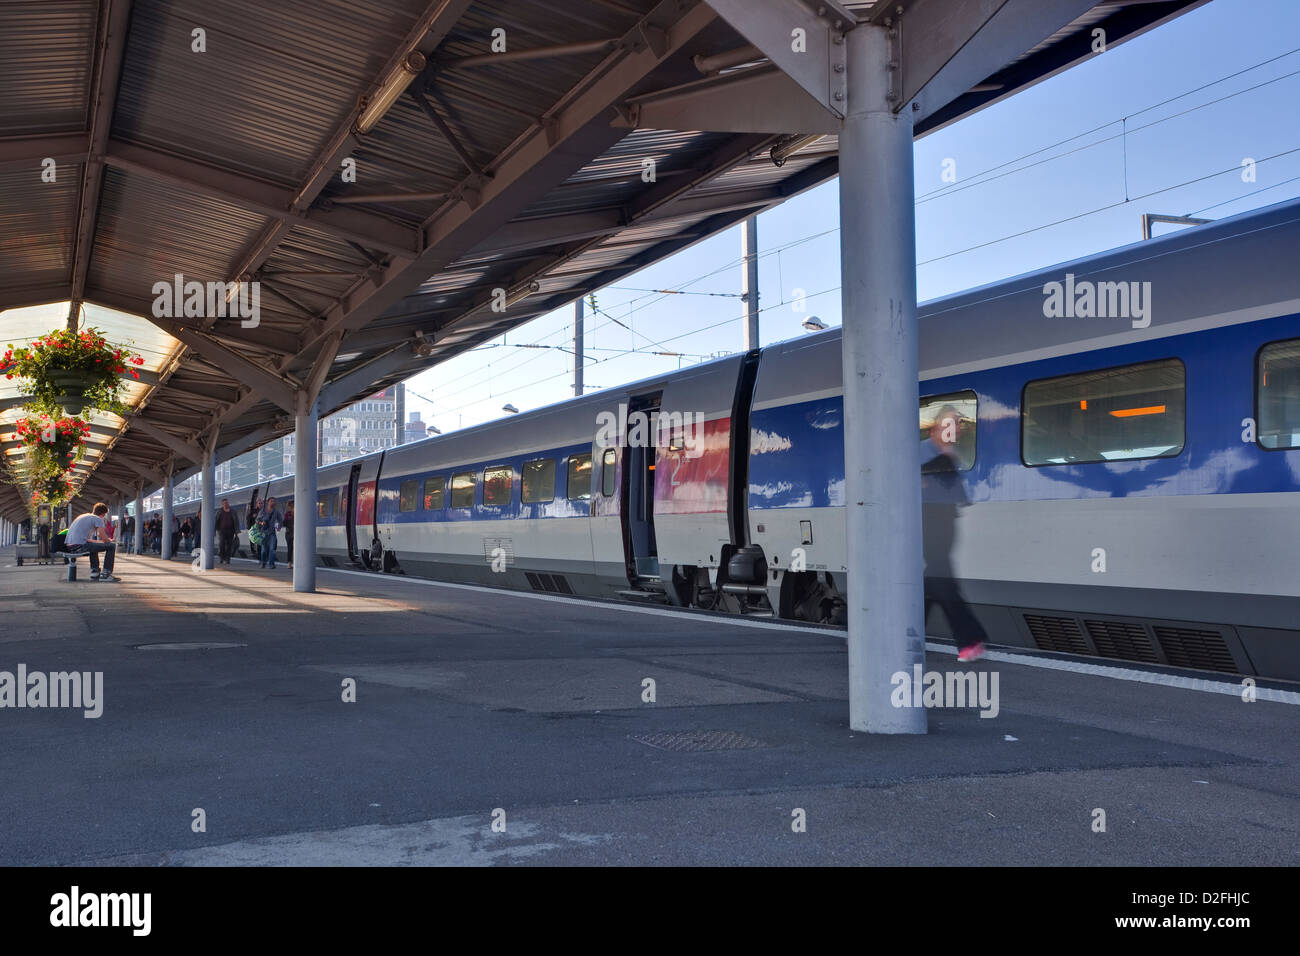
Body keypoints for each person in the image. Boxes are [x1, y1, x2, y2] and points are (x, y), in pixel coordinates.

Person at [921, 405, 985, 662]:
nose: (955, 429)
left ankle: (904, 634)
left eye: (957, 425)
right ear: (937, 427)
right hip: (929, 520)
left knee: (933, 580)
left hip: (943, 521)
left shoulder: (948, 453)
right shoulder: (924, 451)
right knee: (939, 579)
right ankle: (970, 639)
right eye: (950, 424)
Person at [65, 502, 119, 582]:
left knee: (93, 546)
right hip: (80, 546)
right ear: (103, 514)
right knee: (111, 546)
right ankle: (106, 574)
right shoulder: (98, 519)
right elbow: (102, 536)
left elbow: (87, 540)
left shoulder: (83, 516)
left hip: (70, 546)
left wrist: (100, 542)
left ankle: (95, 572)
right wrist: (109, 541)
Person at [254, 496, 283, 569]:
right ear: (268, 502)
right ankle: (263, 563)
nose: (273, 502)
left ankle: (271, 564)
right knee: (264, 550)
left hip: (272, 533)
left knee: (272, 549)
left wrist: (279, 526)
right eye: (271, 501)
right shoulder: (263, 511)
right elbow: (257, 520)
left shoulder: (276, 512)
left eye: (274, 501)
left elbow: (280, 519)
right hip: (263, 533)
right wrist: (261, 523)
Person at [215, 499, 239, 565]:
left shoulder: (233, 511)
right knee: (221, 544)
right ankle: (222, 557)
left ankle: (228, 559)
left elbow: (236, 521)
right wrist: (214, 530)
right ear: (222, 504)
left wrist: (236, 531)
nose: (226, 504)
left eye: (227, 503)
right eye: (225, 503)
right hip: (221, 530)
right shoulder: (219, 511)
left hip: (231, 531)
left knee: (229, 545)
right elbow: (215, 521)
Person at [283, 502, 294, 570]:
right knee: (290, 548)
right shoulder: (287, 514)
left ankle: (295, 562)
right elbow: (284, 523)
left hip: (297, 533)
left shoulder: (299, 513)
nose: (291, 507)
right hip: (289, 533)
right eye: (291, 506)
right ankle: (289, 563)